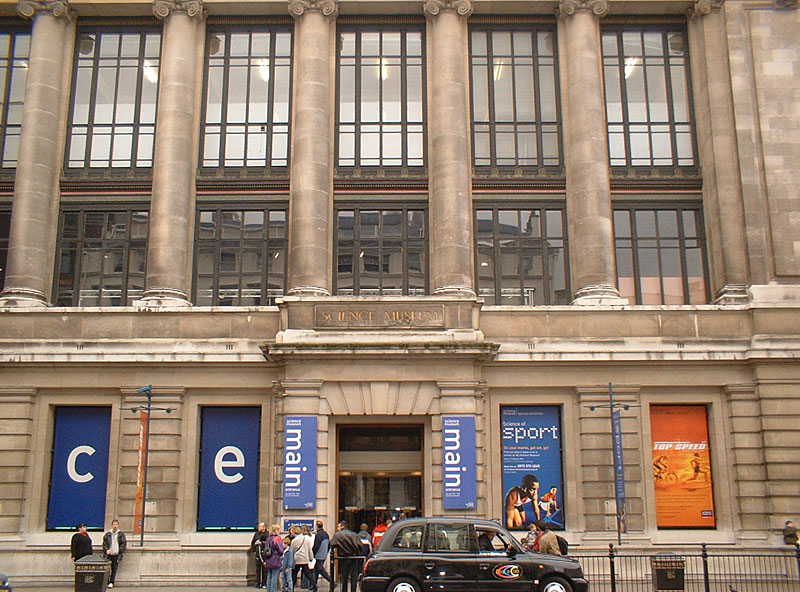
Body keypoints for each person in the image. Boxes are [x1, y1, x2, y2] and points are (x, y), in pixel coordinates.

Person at [330, 522, 363, 592]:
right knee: (354, 576)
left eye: (338, 527)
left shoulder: (338, 535)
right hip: (353, 557)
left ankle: (344, 590)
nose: (337, 528)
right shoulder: (354, 534)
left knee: (344, 577)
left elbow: (332, 544)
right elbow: (360, 546)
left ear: (342, 527)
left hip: (343, 557)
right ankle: (353, 590)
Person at [102, 519, 127, 588]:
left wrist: (119, 550)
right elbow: (104, 544)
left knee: (114, 569)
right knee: (107, 569)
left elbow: (123, 543)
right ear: (112, 525)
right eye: (114, 524)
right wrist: (106, 550)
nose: (115, 526)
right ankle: (106, 581)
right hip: (108, 554)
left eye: (116, 524)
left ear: (118, 525)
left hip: (116, 554)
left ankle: (111, 582)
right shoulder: (108, 534)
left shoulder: (121, 534)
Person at [290, 525, 314, 592]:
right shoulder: (306, 539)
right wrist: (311, 557)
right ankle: (314, 584)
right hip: (305, 559)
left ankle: (292, 587)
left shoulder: (294, 540)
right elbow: (309, 549)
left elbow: (292, 551)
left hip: (297, 559)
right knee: (308, 573)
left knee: (294, 574)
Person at [311, 521, 332, 590]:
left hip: (319, 555)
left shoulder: (318, 534)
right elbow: (329, 544)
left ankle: (332, 582)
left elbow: (316, 545)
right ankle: (314, 585)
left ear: (317, 526)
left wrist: (313, 553)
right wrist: (326, 552)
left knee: (320, 570)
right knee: (316, 570)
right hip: (323, 554)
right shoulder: (326, 534)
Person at [264, 525, 284, 592]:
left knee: (269, 575)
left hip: (268, 558)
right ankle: (273, 590)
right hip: (275, 559)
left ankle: (269, 590)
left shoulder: (268, 538)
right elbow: (281, 550)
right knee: (275, 576)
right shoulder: (277, 538)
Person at [251, 522, 268, 588]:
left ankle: (264, 583)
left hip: (264, 553)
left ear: (264, 527)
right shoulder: (256, 534)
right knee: (258, 569)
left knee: (265, 570)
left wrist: (263, 543)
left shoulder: (267, 534)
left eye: (260, 526)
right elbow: (252, 542)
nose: (259, 527)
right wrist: (254, 549)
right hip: (258, 553)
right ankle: (257, 583)